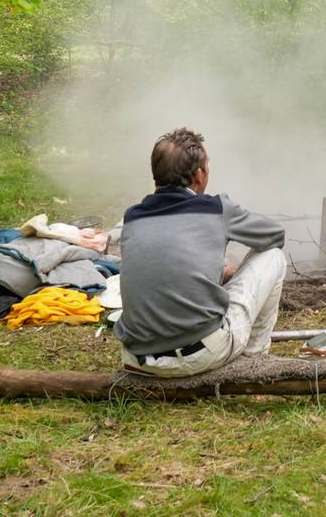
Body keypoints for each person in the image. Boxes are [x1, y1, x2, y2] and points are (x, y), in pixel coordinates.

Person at [115, 128, 288, 377]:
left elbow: (166, 265)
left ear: (156, 177)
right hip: (200, 355)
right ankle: (254, 361)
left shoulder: (132, 217)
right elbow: (274, 236)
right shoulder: (216, 209)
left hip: (137, 359)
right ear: (199, 174)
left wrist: (214, 268)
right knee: (273, 257)